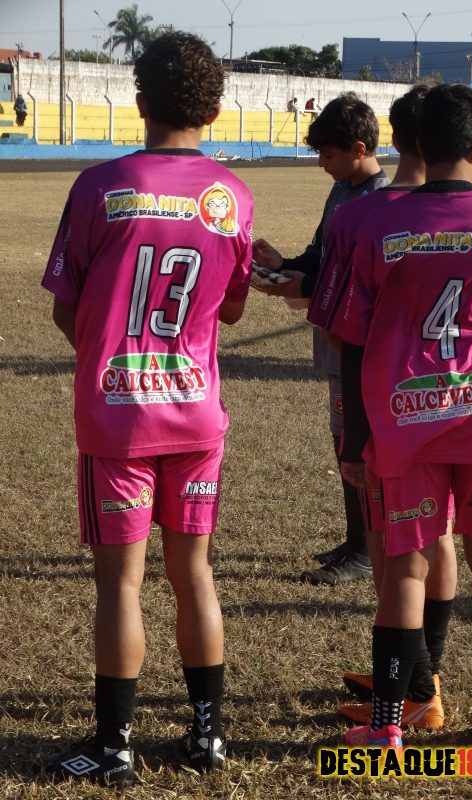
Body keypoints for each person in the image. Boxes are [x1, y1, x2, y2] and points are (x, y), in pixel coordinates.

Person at [41, 32, 254, 786]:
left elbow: (66, 308)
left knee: (121, 586)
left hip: (120, 417)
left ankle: (115, 747)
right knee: (194, 573)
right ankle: (207, 737)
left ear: (138, 103)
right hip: (196, 413)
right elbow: (229, 309)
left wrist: (111, 356)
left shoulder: (100, 186)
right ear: (216, 110)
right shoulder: (232, 196)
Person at [327, 83, 472, 754]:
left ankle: (387, 726)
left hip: (404, 422)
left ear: (419, 146)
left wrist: (356, 437)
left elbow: (351, 342)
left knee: (405, 569)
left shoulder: (375, 221)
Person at [308, 84, 456, 731]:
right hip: (453, 401)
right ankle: (425, 674)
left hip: (384, 404)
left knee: (389, 545)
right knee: (437, 536)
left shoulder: (367, 216)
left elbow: (344, 328)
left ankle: (416, 686)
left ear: (395, 138)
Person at [253, 92, 390, 585]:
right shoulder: (342, 191)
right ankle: (356, 540)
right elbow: (322, 255)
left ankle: (366, 551)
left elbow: (358, 278)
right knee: (343, 437)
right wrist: (284, 265)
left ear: (358, 149)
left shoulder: (380, 201)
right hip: (333, 332)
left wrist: (305, 284)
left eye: (327, 155)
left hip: (356, 338)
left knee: (357, 440)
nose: (321, 164)